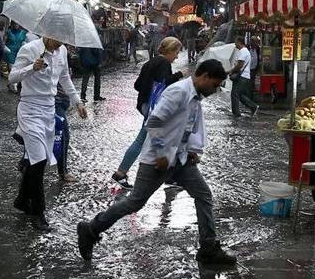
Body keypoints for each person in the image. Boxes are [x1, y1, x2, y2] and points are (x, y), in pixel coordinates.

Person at [77, 59, 236, 265]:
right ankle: (91, 229)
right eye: (214, 85)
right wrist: (161, 153)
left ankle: (208, 247)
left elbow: (189, 126)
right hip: (157, 160)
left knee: (203, 194)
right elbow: (154, 121)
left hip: (180, 160)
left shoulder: (196, 97)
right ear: (204, 76)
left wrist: (193, 150)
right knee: (135, 202)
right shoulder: (178, 92)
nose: (214, 90)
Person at [8, 36, 88, 231]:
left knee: (38, 159)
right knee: (40, 160)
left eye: (63, 40)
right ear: (47, 33)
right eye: (57, 39)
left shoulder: (62, 52)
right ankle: (38, 213)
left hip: (48, 111)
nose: (60, 43)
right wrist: (31, 68)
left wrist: (77, 101)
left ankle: (21, 200)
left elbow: (64, 78)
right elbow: (12, 77)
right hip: (29, 109)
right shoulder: (29, 49)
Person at [111, 36, 184, 189]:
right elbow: (165, 83)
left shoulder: (150, 62)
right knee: (145, 140)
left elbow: (137, 85)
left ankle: (168, 174)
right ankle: (120, 173)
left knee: (160, 138)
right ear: (170, 50)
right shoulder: (164, 63)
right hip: (154, 108)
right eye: (176, 52)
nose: (177, 56)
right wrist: (178, 75)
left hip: (145, 106)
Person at [229, 36, 259, 118]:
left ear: (239, 42)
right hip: (244, 76)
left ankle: (236, 113)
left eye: (236, 42)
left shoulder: (243, 51)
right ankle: (253, 107)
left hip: (242, 76)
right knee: (240, 94)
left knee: (234, 94)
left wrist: (232, 71)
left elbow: (240, 65)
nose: (235, 44)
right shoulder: (244, 51)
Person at [5, 22, 27, 92]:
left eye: (17, 24)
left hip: (19, 52)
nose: (15, 25)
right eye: (14, 24)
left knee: (17, 68)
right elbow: (4, 41)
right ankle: (14, 87)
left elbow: (24, 41)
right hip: (10, 52)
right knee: (12, 69)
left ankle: (11, 83)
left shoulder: (23, 32)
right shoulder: (8, 32)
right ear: (11, 25)